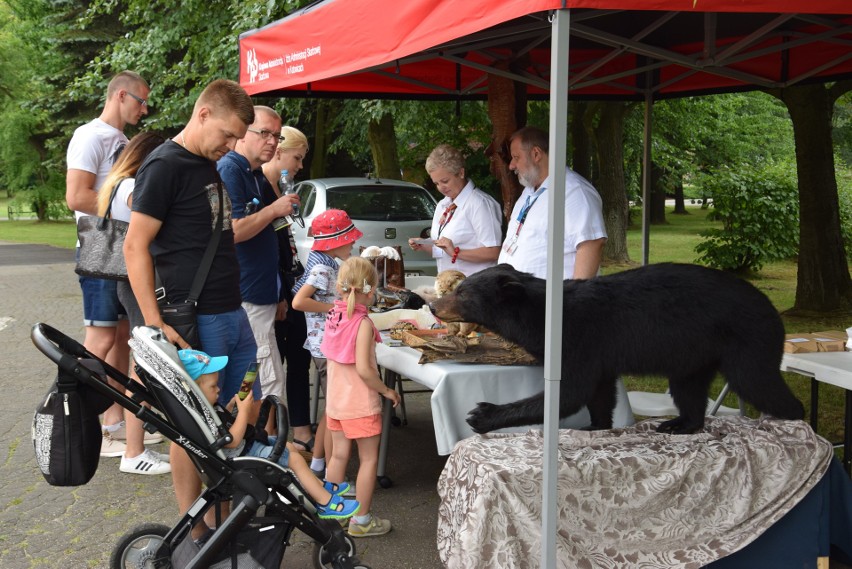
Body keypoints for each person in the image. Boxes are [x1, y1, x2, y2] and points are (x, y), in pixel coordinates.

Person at [123, 79, 259, 538]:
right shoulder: (164, 165)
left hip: (231, 312)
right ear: (203, 114)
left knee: (243, 404)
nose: (232, 145)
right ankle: (197, 530)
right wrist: (154, 323)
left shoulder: (206, 164)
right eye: (228, 134)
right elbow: (134, 246)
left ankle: (225, 507)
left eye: (239, 138)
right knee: (192, 425)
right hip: (196, 319)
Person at [66, 70, 150, 458]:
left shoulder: (122, 141)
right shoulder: (90, 136)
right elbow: (76, 196)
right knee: (98, 339)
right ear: (120, 95)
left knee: (119, 339)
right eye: (140, 100)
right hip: (101, 245)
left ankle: (113, 423)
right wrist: (125, 200)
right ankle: (72, 424)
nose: (144, 108)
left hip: (121, 246)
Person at [177, 349, 360, 520]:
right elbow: (231, 441)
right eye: (213, 386)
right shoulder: (203, 417)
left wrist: (231, 408)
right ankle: (325, 503)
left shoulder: (205, 408)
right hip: (239, 458)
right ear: (195, 390)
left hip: (245, 448)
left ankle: (318, 487)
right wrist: (243, 412)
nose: (218, 389)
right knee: (294, 460)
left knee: (287, 447)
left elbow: (223, 427)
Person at [217, 106, 299, 418]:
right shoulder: (231, 170)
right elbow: (234, 230)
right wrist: (275, 210)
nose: (272, 141)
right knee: (264, 380)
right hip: (246, 294)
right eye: (264, 132)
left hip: (261, 294)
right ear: (241, 133)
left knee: (262, 379)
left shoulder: (251, 173)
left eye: (276, 136)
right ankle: (266, 452)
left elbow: (267, 231)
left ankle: (262, 448)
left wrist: (278, 291)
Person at [96, 131, 169, 475]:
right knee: (144, 365)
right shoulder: (130, 190)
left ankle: (136, 446)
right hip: (137, 283)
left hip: (126, 283)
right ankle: (134, 452)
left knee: (142, 362)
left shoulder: (116, 185)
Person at [321, 256, 401, 538]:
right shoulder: (363, 323)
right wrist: (386, 390)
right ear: (371, 290)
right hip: (361, 404)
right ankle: (362, 520)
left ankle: (333, 515)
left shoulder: (334, 315)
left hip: (335, 402)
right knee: (368, 461)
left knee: (338, 457)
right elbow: (366, 370)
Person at [291, 210, 363, 478]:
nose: (353, 244)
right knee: (336, 416)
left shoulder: (326, 262)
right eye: (350, 240)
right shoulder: (322, 267)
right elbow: (299, 302)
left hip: (327, 346)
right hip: (326, 348)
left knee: (330, 410)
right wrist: (336, 307)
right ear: (336, 241)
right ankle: (335, 475)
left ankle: (319, 463)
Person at [259, 126, 315, 458]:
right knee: (273, 364)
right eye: (297, 158)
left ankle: (301, 428)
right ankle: (272, 435)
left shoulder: (279, 186)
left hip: (288, 281)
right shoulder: (262, 187)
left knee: (298, 355)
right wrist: (279, 292)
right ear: (279, 153)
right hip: (274, 288)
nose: (299, 166)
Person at [497, 126, 607, 280]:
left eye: (516, 157)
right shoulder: (529, 191)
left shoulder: (573, 191)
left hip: (553, 301)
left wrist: (575, 300)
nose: (511, 165)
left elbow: (591, 244)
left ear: (536, 154)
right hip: (525, 299)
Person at [409, 144, 502, 275]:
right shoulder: (442, 205)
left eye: (445, 181)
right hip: (449, 286)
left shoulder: (480, 204)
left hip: (476, 288)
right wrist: (424, 245)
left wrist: (456, 252)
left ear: (461, 173)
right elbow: (443, 253)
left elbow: (494, 252)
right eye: (436, 183)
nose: (441, 187)